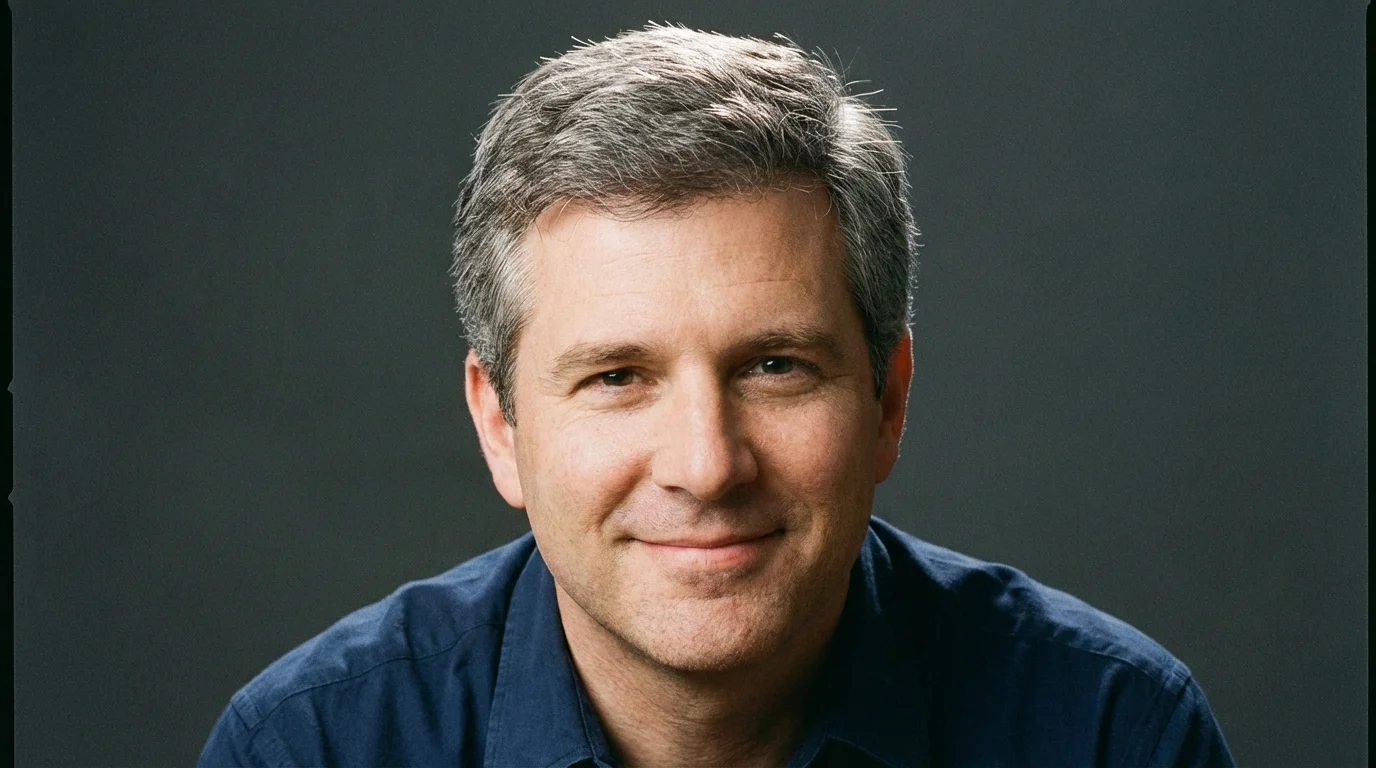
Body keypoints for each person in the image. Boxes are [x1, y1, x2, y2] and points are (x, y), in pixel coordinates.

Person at [199, 24, 1233, 767]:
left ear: (887, 402)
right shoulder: (311, 746)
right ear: (499, 424)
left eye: (774, 367)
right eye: (617, 377)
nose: (705, 466)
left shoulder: (1114, 733)